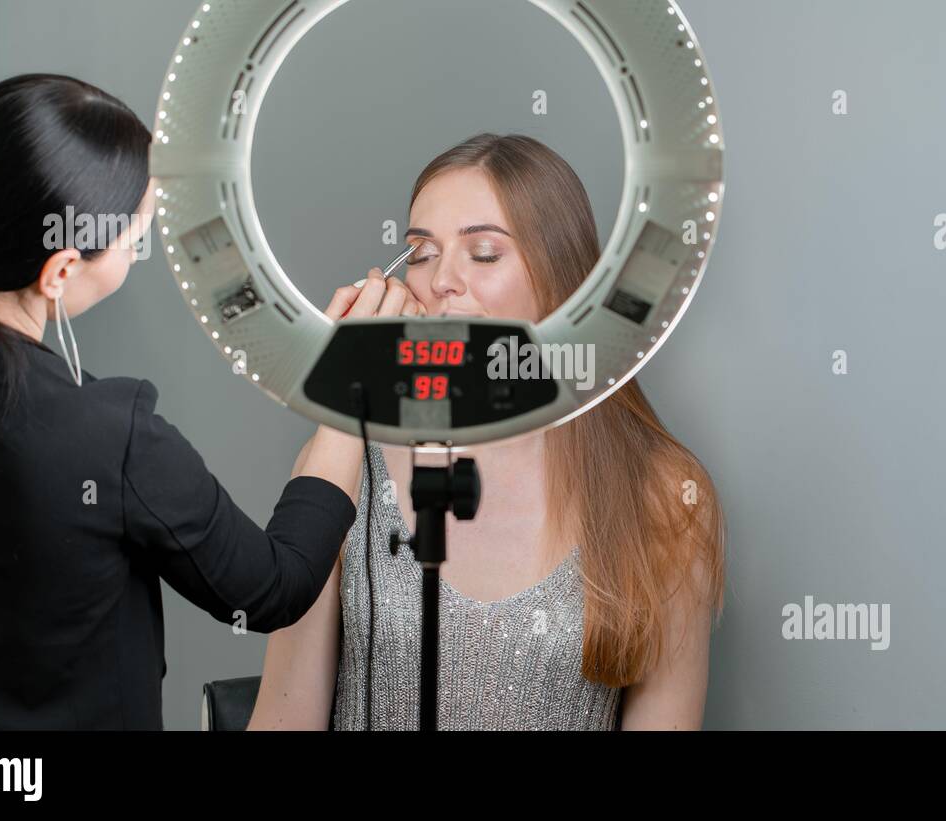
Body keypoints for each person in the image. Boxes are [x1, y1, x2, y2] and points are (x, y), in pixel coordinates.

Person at [0, 74, 363, 729]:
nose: (137, 255)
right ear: (58, 270)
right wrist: (351, 390)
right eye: (132, 238)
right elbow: (271, 586)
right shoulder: (109, 436)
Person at [250, 133, 726, 731]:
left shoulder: (665, 496)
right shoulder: (344, 467)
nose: (443, 280)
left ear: (563, 281)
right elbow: (282, 719)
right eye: (421, 254)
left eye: (483, 253)